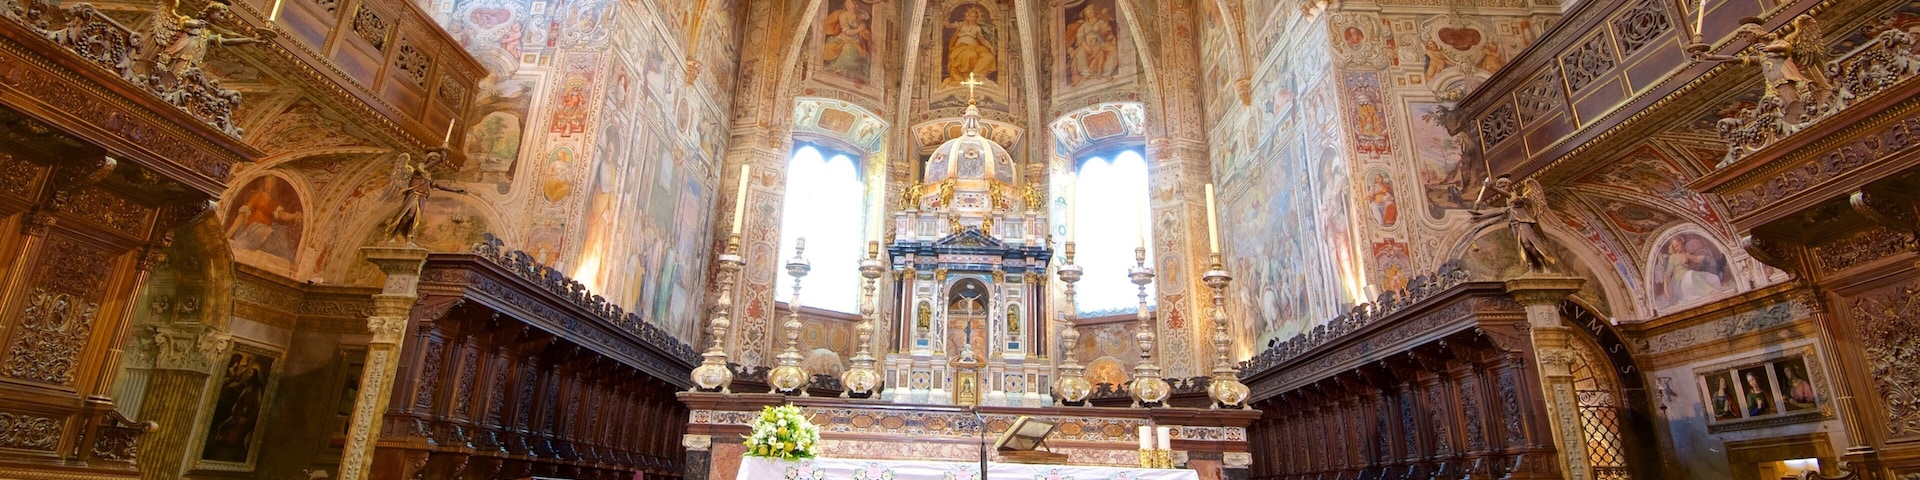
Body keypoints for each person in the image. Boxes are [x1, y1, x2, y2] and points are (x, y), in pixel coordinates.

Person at [945, 6, 998, 86]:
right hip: (961, 47)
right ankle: (965, 77)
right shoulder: (962, 25)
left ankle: (975, 74)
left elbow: (982, 40)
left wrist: (991, 47)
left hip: (973, 47)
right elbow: (948, 25)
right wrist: (945, 16)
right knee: (970, 55)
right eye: (972, 16)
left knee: (988, 56)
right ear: (968, 16)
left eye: (975, 17)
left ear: (977, 18)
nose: (973, 18)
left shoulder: (977, 28)